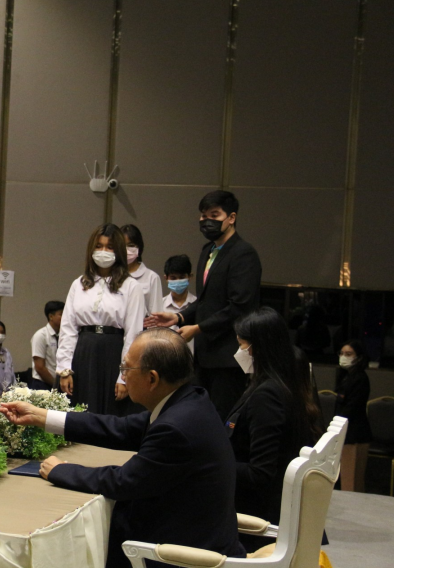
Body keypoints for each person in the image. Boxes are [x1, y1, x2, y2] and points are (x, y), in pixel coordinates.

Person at [0, 329, 245, 568]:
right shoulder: (190, 401)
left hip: (184, 555)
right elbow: (118, 428)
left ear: (152, 379)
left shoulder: (176, 427)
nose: (123, 376)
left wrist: (60, 470)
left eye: (126, 369)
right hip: (196, 535)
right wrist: (40, 416)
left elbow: (122, 482)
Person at [149, 190, 262, 420]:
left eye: (214, 215)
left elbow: (239, 306)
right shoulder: (207, 251)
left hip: (228, 356)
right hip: (203, 355)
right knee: (198, 417)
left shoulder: (243, 253)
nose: (206, 220)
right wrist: (179, 317)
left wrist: (198, 328)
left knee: (222, 418)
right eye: (203, 215)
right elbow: (205, 300)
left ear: (231, 217)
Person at [227, 307, 323, 551]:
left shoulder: (267, 396)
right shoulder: (281, 384)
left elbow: (260, 473)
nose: (238, 352)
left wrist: (214, 462)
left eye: (242, 345)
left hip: (259, 516)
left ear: (258, 348)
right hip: (269, 506)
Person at [56, 224, 146, 415]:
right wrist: (64, 369)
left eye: (109, 247)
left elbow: (133, 334)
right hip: (83, 353)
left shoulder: (131, 286)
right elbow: (68, 329)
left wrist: (124, 376)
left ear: (118, 251)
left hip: (113, 354)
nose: (103, 251)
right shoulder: (78, 284)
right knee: (79, 413)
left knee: (109, 414)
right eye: (99, 246)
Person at [334, 339, 373, 492]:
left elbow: (351, 408)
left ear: (359, 357)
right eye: (342, 353)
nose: (344, 357)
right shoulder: (345, 376)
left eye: (349, 354)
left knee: (351, 481)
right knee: (346, 479)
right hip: (346, 432)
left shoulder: (360, 378)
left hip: (355, 434)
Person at [120, 224, 164, 316]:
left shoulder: (152, 277)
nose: (126, 250)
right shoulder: (111, 275)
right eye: (122, 245)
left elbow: (156, 315)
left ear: (139, 248)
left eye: (131, 245)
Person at [161, 255, 197, 354]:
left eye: (182, 277)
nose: (177, 281)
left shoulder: (198, 305)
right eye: (173, 278)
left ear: (190, 277)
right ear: (166, 278)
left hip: (194, 359)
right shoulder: (159, 305)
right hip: (166, 358)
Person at [30, 301, 64, 390]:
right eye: (61, 314)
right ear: (51, 316)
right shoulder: (41, 335)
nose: (65, 318)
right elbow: (39, 367)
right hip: (43, 385)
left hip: (58, 384)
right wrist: (56, 386)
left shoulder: (62, 336)